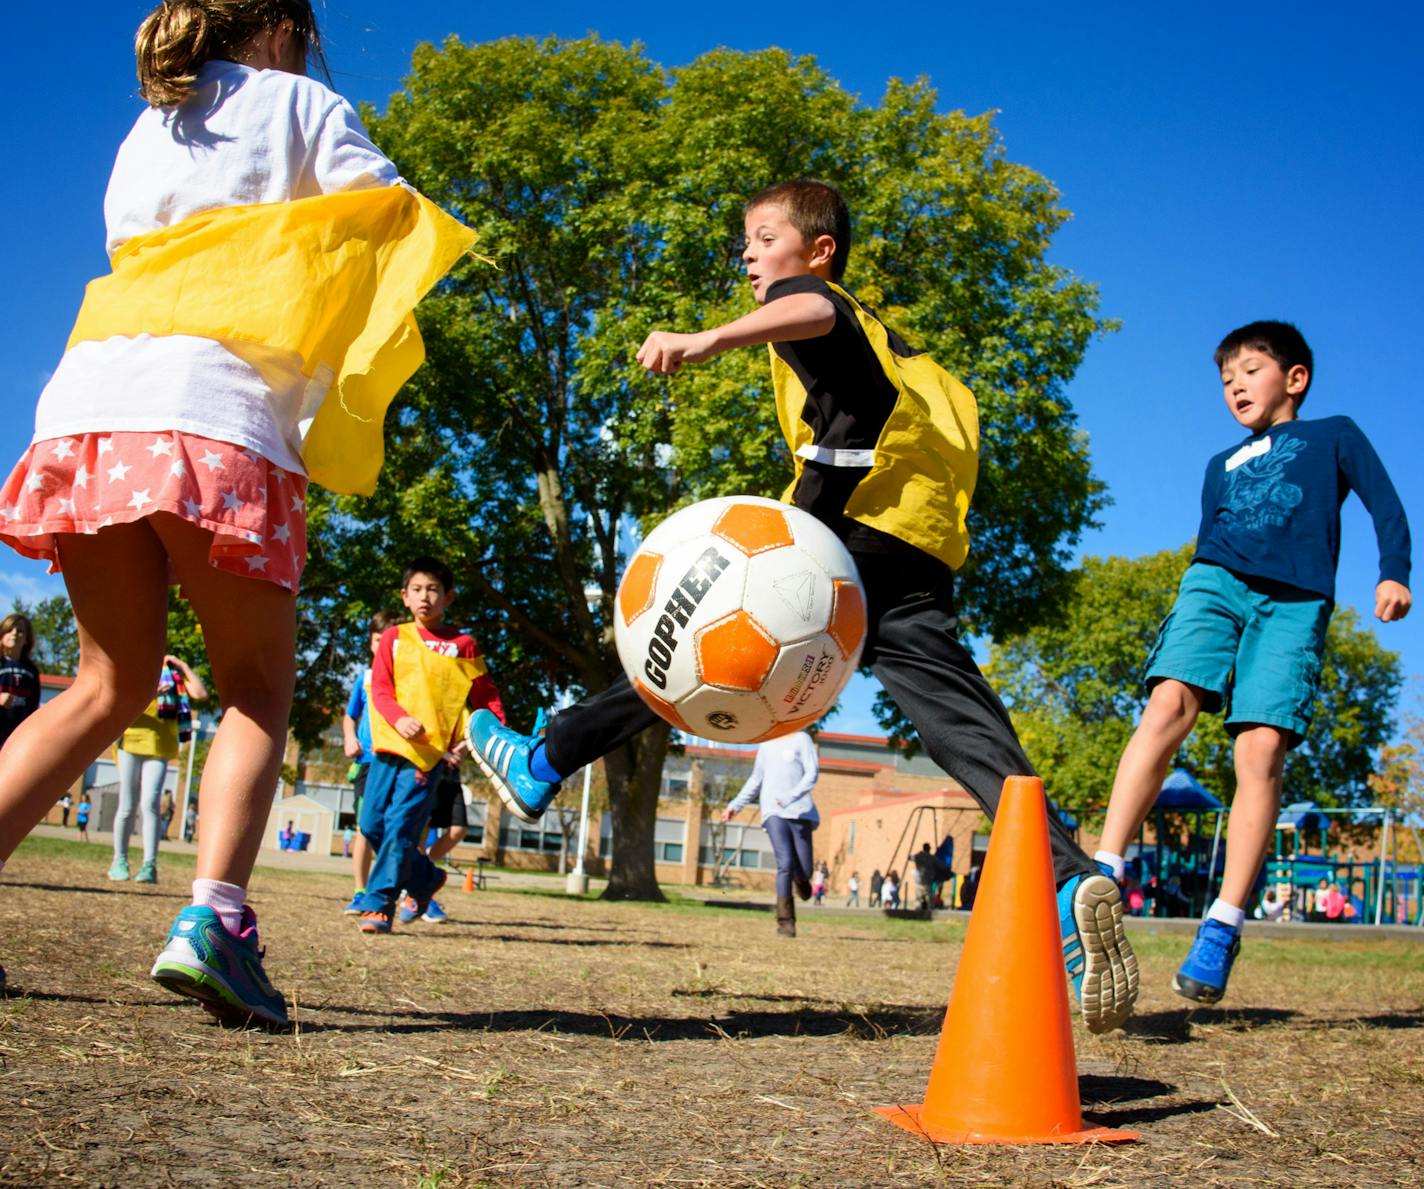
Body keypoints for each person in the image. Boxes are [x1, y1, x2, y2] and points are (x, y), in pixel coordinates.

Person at [464, 178, 1137, 1033]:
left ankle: (543, 760)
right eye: (744, 241)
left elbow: (810, 309)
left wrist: (710, 338)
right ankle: (1069, 874)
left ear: (817, 249)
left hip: (839, 538)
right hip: (916, 546)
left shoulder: (812, 296)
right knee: (955, 720)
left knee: (695, 648)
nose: (749, 254)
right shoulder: (899, 349)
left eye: (764, 236)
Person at [0, 0, 472, 1027]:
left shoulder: (144, 131)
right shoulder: (298, 101)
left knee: (102, 681)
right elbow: (389, 210)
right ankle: (215, 919)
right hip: (215, 412)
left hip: (88, 404)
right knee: (256, 690)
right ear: (279, 33)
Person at [1095, 320, 1411, 1007]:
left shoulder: (1333, 435)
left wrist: (1394, 573)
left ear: (1295, 378)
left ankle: (1224, 922)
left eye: (1249, 369)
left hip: (1295, 602)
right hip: (1215, 582)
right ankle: (1103, 867)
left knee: (1260, 752)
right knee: (1169, 703)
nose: (1234, 383)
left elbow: (1386, 504)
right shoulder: (1220, 464)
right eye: (1224, 377)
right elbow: (1211, 535)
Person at [356, 557, 504, 934]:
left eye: (434, 590)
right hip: (387, 748)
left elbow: (487, 699)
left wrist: (485, 737)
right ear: (405, 597)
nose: (425, 598)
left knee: (400, 828)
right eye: (417, 590)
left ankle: (379, 905)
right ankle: (423, 880)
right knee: (371, 823)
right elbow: (383, 690)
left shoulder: (463, 645)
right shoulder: (394, 638)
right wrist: (398, 717)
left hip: (427, 756)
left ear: (449, 597)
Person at [109, 655, 208, 884]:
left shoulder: (173, 676)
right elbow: (120, 702)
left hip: (160, 746)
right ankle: (119, 860)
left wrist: (183, 667)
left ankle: (149, 865)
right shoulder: (135, 671)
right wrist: (151, 693)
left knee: (150, 803)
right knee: (127, 804)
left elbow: (201, 694)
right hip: (131, 742)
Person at [721, 730, 820, 938]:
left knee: (804, 869)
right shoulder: (766, 743)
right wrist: (735, 805)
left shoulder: (801, 739)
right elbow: (756, 779)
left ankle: (801, 880)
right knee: (784, 864)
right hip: (773, 811)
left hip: (800, 810)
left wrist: (790, 796)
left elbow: (812, 773)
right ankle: (786, 923)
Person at [340, 611, 399, 913]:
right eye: (378, 639)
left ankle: (396, 888)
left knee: (396, 827)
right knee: (365, 827)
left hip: (397, 762)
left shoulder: (407, 678)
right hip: (367, 762)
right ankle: (361, 891)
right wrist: (350, 738)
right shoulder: (364, 678)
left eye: (390, 639)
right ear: (371, 642)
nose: (384, 645)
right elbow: (350, 716)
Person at [0, 613, 41, 752]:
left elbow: (34, 703)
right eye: (9, 630)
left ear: (27, 640)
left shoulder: (31, 670)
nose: (15, 633)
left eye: (20, 631)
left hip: (17, 736)